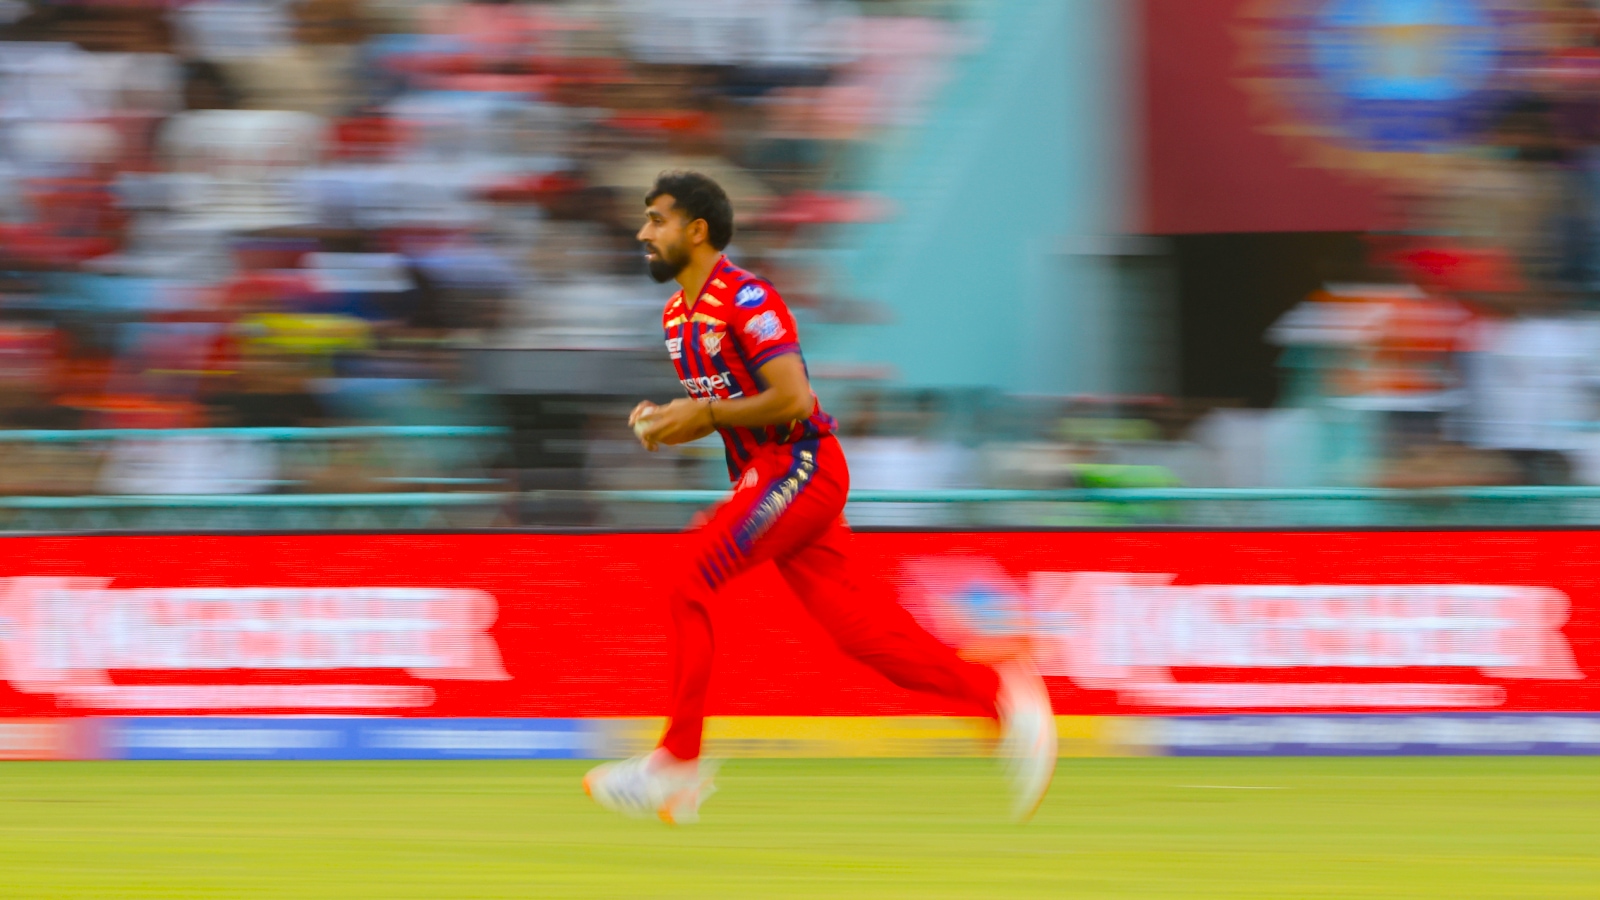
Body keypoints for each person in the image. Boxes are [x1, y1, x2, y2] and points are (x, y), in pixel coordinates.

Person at [582, 172, 1057, 825]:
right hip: (770, 479)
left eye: (657, 219)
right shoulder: (676, 318)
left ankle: (677, 764)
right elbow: (724, 410)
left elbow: (794, 400)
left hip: (802, 467)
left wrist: (704, 418)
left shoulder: (749, 298)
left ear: (697, 230)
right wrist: (668, 419)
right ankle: (999, 697)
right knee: (861, 635)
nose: (642, 232)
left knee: (687, 578)